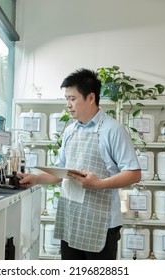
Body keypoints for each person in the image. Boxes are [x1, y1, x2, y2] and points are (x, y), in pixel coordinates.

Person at [18, 68, 141, 260]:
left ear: (90, 98)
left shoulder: (113, 130)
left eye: (72, 98)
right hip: (71, 219)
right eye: (66, 98)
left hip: (101, 224)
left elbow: (134, 173)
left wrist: (99, 184)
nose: (68, 104)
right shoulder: (69, 131)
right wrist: (36, 179)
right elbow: (61, 172)